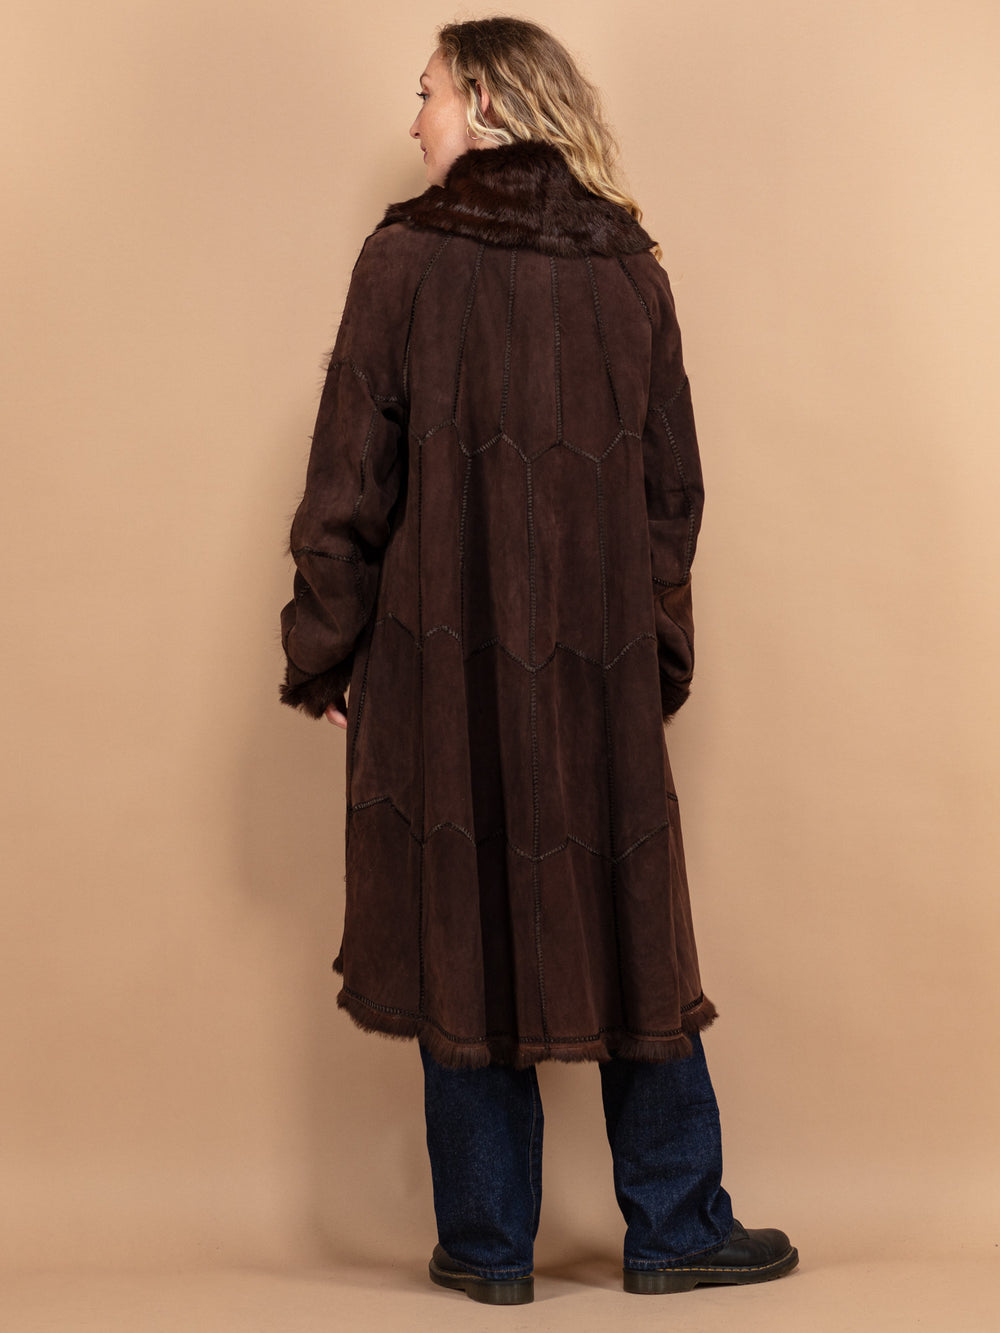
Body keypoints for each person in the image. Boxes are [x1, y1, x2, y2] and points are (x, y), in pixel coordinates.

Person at [278, 16, 797, 1306]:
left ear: (490, 100)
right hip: (594, 668)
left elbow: (349, 475)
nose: (414, 119)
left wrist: (326, 649)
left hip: (436, 665)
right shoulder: (630, 268)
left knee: (464, 922)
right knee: (629, 928)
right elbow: (672, 496)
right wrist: (650, 660)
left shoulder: (404, 258)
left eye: (428, 92)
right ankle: (676, 1226)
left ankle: (488, 1247)